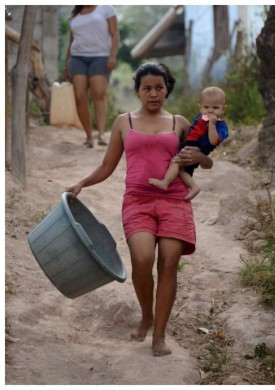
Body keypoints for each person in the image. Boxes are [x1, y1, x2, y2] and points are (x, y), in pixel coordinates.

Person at [65, 63, 213, 357]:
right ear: (137, 90)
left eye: (159, 87)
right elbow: (108, 166)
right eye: (147, 88)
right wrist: (82, 183)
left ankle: (159, 335)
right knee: (143, 259)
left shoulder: (181, 123)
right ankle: (147, 313)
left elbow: (205, 161)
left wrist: (200, 156)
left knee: (169, 262)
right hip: (138, 201)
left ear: (167, 89)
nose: (154, 93)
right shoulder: (123, 122)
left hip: (175, 200)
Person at [149, 86, 228, 200]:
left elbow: (213, 141)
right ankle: (193, 186)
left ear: (223, 109)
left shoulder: (220, 125)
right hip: (190, 143)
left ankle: (165, 182)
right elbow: (192, 130)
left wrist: (212, 125)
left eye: (215, 108)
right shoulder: (200, 117)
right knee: (181, 169)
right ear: (200, 107)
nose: (210, 111)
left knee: (175, 161)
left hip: (198, 148)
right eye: (206, 107)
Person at [64, 5, 119, 148]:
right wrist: (66, 64)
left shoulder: (107, 9)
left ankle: (101, 134)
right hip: (77, 58)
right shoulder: (74, 15)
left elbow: (115, 34)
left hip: (100, 57)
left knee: (99, 94)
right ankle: (89, 136)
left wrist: (113, 56)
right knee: (79, 96)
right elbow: (71, 42)